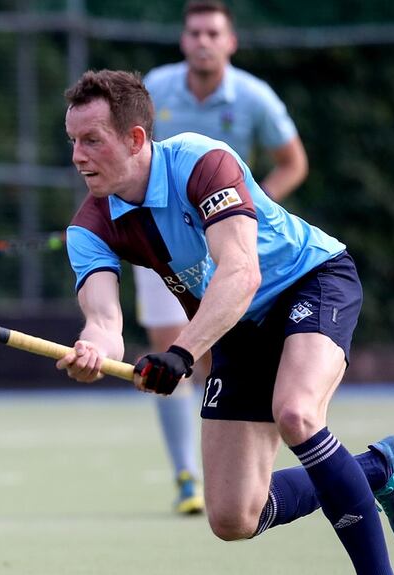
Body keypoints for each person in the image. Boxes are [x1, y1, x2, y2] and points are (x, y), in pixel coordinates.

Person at [56, 69, 394, 573]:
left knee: (296, 413)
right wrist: (93, 350)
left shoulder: (202, 162)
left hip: (309, 283)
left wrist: (181, 354)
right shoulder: (89, 228)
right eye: (73, 141)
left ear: (135, 139)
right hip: (237, 328)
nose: (77, 156)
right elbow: (104, 322)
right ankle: (378, 467)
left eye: (92, 140)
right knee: (233, 517)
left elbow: (241, 272)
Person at [136, 0, 309, 516]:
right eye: (195, 33)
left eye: (213, 33)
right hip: (163, 242)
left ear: (230, 41)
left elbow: (293, 162)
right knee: (169, 348)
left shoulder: (254, 97)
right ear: (183, 40)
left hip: (226, 243)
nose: (203, 41)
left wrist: (250, 210)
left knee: (212, 354)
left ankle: (234, 465)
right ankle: (185, 476)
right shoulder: (156, 88)